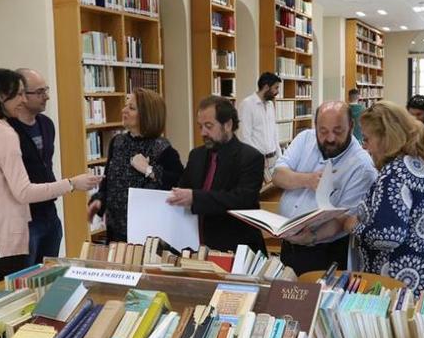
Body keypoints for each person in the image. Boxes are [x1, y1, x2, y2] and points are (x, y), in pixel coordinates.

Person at [299, 101, 424, 295]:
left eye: (368, 139)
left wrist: (351, 224)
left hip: (399, 280)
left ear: (386, 138)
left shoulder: (394, 173)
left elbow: (388, 236)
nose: (365, 145)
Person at [0, 69, 101, 284]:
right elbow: (23, 191)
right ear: (1, 97)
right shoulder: (4, 132)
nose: (22, 100)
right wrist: (72, 184)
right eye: (18, 94)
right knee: (26, 294)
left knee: (8, 295)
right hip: (8, 235)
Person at [274, 101, 377, 275]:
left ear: (351, 126)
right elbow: (278, 176)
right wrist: (308, 180)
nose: (330, 138)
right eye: (323, 131)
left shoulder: (362, 166)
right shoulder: (305, 138)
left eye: (338, 131)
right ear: (315, 126)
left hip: (326, 250)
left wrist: (311, 238)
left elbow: (344, 219)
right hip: (287, 244)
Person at [167, 96, 266, 252]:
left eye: (209, 126)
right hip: (195, 245)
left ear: (227, 125)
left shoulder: (251, 157)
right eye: (200, 126)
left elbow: (241, 200)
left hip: (234, 247)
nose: (203, 132)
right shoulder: (196, 155)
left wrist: (195, 197)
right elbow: (182, 189)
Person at [87, 88, 183, 242]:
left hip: (147, 231)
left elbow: (178, 182)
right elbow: (108, 180)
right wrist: (99, 200)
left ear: (147, 115)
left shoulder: (162, 148)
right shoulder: (117, 142)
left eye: (131, 108)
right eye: (126, 106)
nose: (124, 110)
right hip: (116, 228)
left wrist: (148, 170)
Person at [6, 68, 61, 265]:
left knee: (49, 276)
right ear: (21, 95)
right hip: (25, 217)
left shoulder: (46, 124)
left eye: (46, 90)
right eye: (39, 92)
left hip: (50, 212)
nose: (46, 97)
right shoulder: (7, 130)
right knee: (25, 278)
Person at [237, 72, 282, 180]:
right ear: (266, 87)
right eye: (275, 88)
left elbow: (273, 132)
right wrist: (257, 158)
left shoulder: (270, 105)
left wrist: (280, 156)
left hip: (273, 159)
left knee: (273, 194)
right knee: (259, 195)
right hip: (256, 161)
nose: (277, 92)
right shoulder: (247, 104)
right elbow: (244, 137)